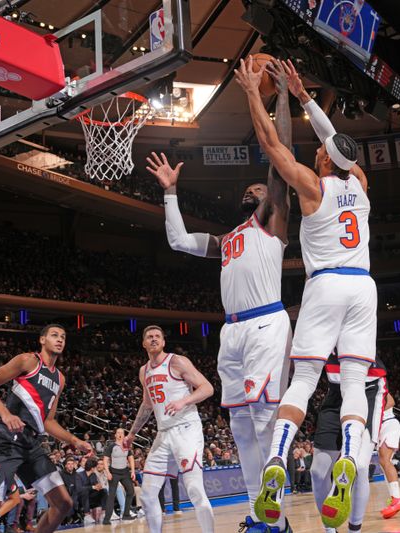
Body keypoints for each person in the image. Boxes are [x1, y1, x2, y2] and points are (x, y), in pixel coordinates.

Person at [146, 59, 293, 533]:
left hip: (267, 322)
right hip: (231, 331)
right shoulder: (228, 238)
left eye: (260, 186)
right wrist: (171, 193)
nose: (256, 189)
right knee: (241, 428)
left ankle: (281, 515)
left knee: (266, 421)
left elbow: (282, 153)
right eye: (250, 188)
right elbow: (177, 242)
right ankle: (261, 515)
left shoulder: (272, 220)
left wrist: (280, 97)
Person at [235, 58, 375, 529]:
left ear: (323, 161)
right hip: (364, 287)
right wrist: (304, 97)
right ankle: (352, 461)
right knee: (355, 384)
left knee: (303, 381)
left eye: (320, 149)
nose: (320, 147)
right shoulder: (360, 184)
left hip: (327, 285)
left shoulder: (314, 189)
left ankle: (277, 459)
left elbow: (271, 144)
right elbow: (340, 146)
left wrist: (256, 92)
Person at [0, 324, 93, 533]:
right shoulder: (27, 360)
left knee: (63, 503)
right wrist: (5, 413)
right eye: (54, 335)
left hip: (31, 444)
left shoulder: (60, 379)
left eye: (63, 337)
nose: (60, 339)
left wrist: (74, 440)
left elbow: (48, 421)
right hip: (7, 440)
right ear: (42, 340)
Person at [122, 325, 214, 532]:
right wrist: (132, 433)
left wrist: (184, 400)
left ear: (163, 342)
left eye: (157, 336)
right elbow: (147, 405)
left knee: (194, 489)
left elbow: (207, 388)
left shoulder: (177, 361)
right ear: (143, 343)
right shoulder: (143, 371)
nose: (154, 339)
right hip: (163, 434)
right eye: (149, 337)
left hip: (186, 428)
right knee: (147, 493)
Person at [310, 354, 387, 532]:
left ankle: (355, 530)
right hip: (336, 389)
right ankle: (330, 529)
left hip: (368, 386)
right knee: (317, 471)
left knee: (359, 467)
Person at [377, 393, 400, 520]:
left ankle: (397, 498)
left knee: (385, 460)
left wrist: (376, 412)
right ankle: (394, 498)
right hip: (380, 427)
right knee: (383, 463)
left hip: (388, 423)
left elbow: (391, 401)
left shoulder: (377, 383)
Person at [102, 429, 136, 524]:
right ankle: (106, 519)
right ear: (115, 435)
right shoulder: (111, 446)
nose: (120, 434)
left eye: (122, 433)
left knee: (131, 491)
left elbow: (131, 458)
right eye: (118, 433)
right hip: (114, 472)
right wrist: (108, 472)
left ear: (124, 435)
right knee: (112, 495)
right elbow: (105, 459)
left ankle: (126, 514)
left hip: (125, 472)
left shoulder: (127, 446)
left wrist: (133, 471)